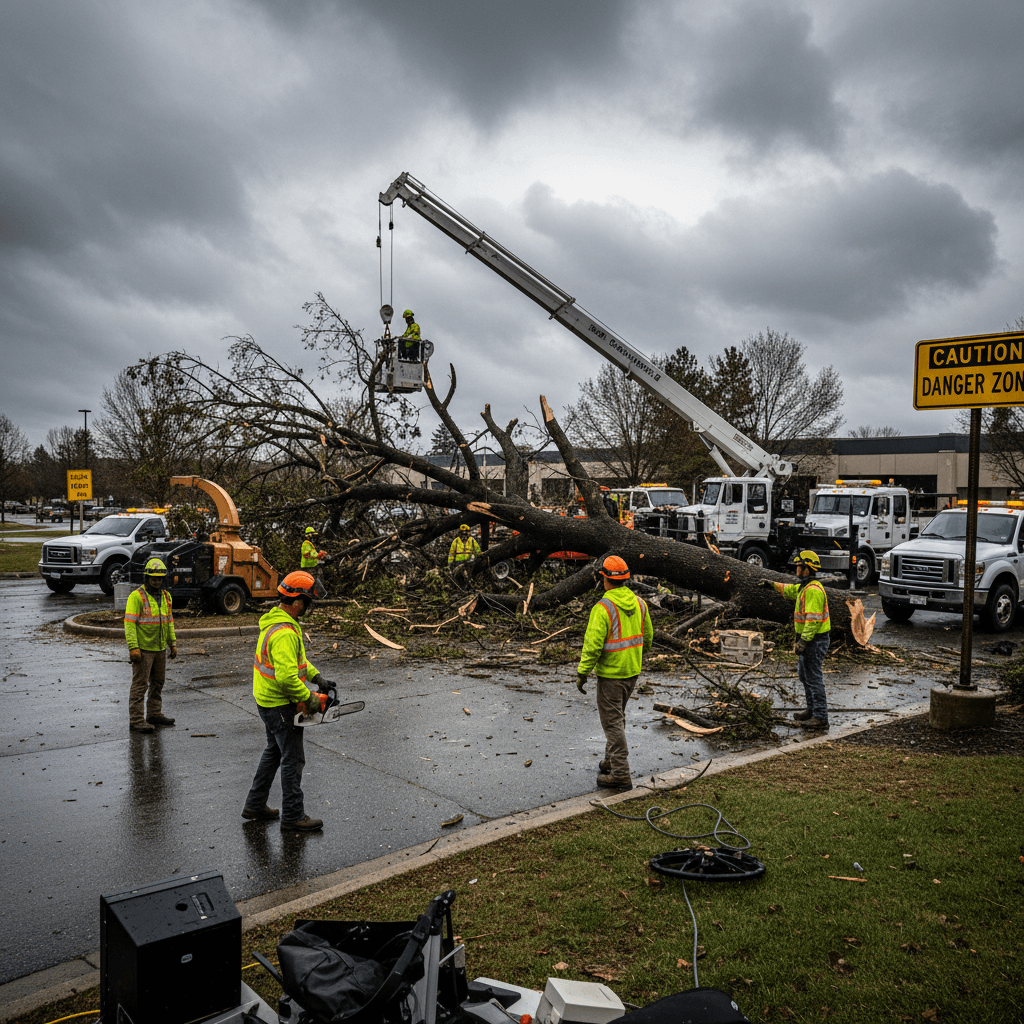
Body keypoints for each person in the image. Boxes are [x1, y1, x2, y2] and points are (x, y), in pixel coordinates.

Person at [242, 570, 329, 831]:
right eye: (308, 602)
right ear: (298, 602)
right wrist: (309, 698)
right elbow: (287, 678)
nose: (308, 607)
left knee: (274, 752)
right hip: (279, 704)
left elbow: (296, 663)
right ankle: (292, 816)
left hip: (267, 701)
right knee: (293, 759)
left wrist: (317, 677)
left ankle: (255, 804)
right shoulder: (284, 633)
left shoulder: (279, 622)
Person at [576, 555, 653, 790]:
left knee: (612, 723)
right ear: (626, 579)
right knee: (617, 717)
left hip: (611, 674)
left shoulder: (603, 608)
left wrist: (583, 672)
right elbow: (648, 638)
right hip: (631, 671)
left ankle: (620, 773)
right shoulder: (640, 604)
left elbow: (593, 645)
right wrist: (635, 656)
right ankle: (610, 761)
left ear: (604, 579)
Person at [758, 550, 831, 730]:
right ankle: (811, 710)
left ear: (807, 569)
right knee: (805, 676)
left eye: (799, 567)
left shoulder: (813, 591)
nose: (796, 570)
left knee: (813, 678)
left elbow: (813, 620)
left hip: (814, 640)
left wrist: (803, 641)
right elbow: (790, 590)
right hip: (810, 639)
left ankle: (820, 717)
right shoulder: (804, 587)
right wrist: (772, 585)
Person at [124, 557, 177, 733]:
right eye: (154, 579)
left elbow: (169, 621)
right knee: (140, 685)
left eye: (160, 579)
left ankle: (154, 713)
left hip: (159, 648)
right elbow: (129, 623)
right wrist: (133, 647)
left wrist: (172, 643)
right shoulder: (136, 596)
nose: (157, 582)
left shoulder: (166, 597)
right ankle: (136, 720)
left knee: (158, 683)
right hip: (143, 649)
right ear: (147, 578)